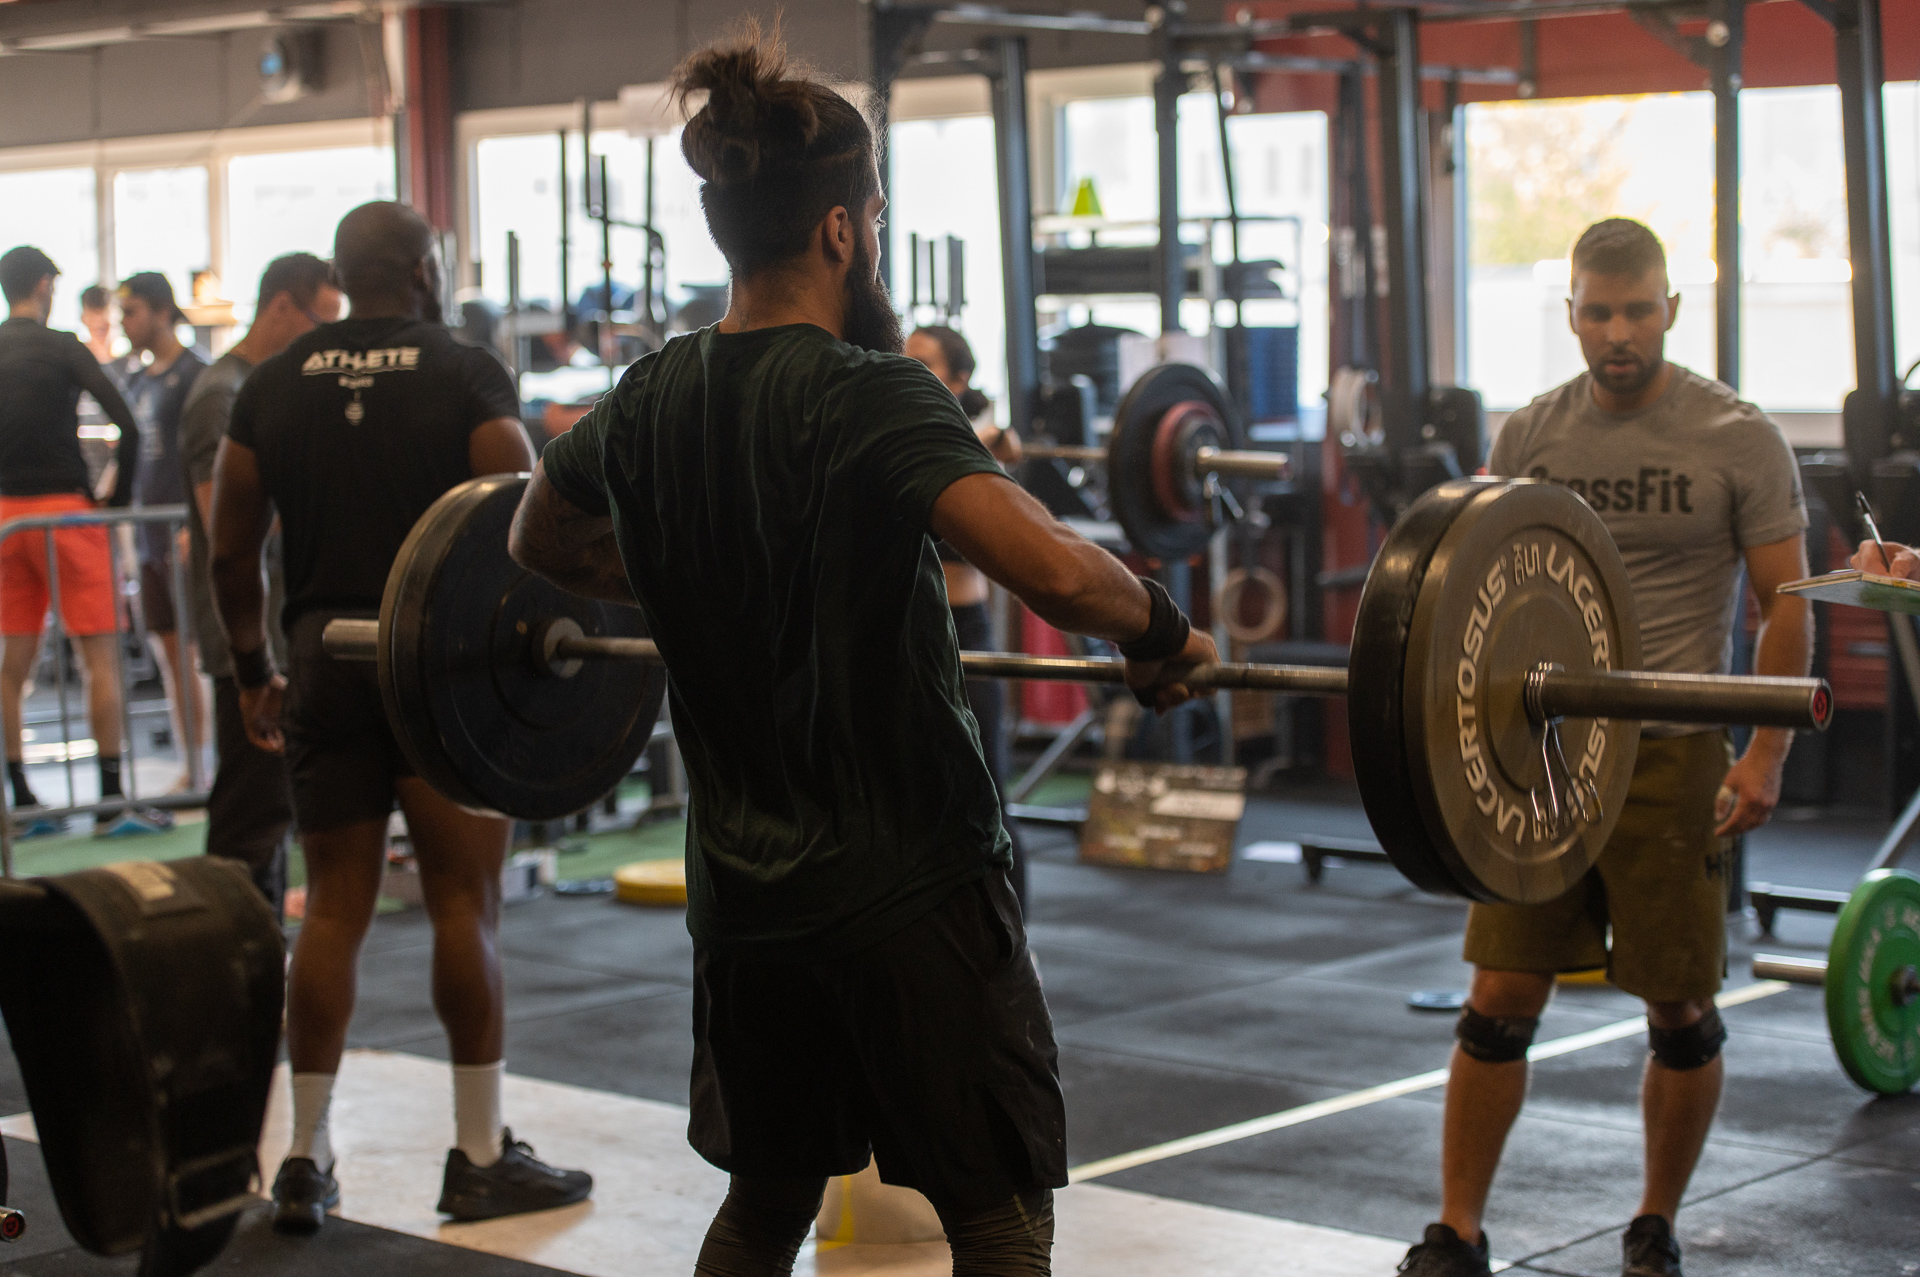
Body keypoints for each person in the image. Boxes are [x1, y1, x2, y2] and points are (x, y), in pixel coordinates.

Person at [506, 29, 1215, 1277]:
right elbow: (1052, 566)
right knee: (997, 1215)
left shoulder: (648, 395)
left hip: (747, 904)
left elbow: (536, 536)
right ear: (843, 228)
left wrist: (679, 577)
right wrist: (1162, 628)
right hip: (911, 888)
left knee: (766, 1203)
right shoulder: (867, 390)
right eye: (873, 217)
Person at [1396, 218, 1812, 1277]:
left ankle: (1654, 1221)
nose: (1619, 331)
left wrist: (1764, 753)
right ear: (1573, 314)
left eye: (1637, 310)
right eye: (1598, 311)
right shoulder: (1531, 434)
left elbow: (1785, 601)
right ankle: (1457, 1229)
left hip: (1672, 750)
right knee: (1499, 996)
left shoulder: (1737, 435)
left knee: (1678, 1006)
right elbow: (1481, 585)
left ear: (1671, 309)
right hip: (1540, 752)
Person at [212, 202, 591, 1232]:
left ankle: (302, 1155)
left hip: (323, 661)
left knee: (333, 907)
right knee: (464, 899)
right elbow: (529, 516)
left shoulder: (273, 381)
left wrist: (252, 670)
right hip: (438, 665)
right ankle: (479, 1155)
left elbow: (230, 547)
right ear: (423, 270)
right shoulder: (463, 371)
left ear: (342, 275)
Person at [180, 252, 342, 913]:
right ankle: (234, 956)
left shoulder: (263, 386)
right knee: (250, 817)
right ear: (281, 306)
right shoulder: (223, 395)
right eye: (320, 322)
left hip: (272, 626)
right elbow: (227, 524)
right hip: (246, 636)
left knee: (272, 809)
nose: (326, 340)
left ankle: (260, 950)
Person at [0, 246, 142, 838]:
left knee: (12, 665)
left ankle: (22, 800)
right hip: (66, 513)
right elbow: (126, 424)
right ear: (43, 286)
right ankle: (110, 801)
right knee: (99, 657)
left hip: (6, 519)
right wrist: (116, 501)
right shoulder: (63, 347)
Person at [905, 324, 1033, 909]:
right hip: (905, 632)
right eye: (904, 358)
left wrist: (993, 441)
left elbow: (996, 446)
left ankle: (1016, 936)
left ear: (958, 379)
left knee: (987, 793)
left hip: (964, 634)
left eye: (926, 363)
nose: (909, 369)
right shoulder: (898, 435)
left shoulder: (972, 442)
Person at [118, 271, 208, 801]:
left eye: (131, 313)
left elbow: (210, 457)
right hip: (148, 537)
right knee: (169, 654)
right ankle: (190, 765)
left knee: (195, 654)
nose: (125, 324)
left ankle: (204, 767)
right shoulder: (139, 381)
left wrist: (197, 523)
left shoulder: (196, 374)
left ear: (159, 310)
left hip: (183, 535)